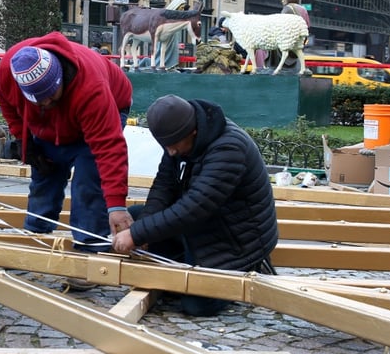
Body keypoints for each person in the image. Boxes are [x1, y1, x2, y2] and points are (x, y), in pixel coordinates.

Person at [111, 95, 278, 316]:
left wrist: (137, 234)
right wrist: (142, 230)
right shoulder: (178, 137)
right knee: (136, 217)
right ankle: (180, 262)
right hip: (206, 224)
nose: (170, 152)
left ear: (193, 132)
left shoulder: (229, 148)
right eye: (166, 146)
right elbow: (164, 186)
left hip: (237, 239)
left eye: (173, 145)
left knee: (196, 306)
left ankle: (247, 267)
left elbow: (194, 207)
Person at [0, 32, 133, 250]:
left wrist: (116, 206)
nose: (46, 102)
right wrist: (24, 141)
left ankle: (90, 247)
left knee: (88, 180)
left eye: (50, 95)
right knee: (45, 171)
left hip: (111, 102)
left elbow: (109, 148)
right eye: (39, 99)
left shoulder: (90, 88)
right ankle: (35, 237)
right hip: (54, 123)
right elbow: (8, 105)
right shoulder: (8, 73)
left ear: (60, 78)